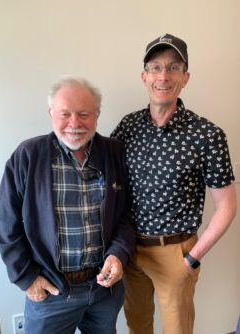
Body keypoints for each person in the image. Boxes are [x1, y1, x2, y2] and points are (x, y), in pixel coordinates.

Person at [111, 33, 237, 334]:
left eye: (173, 68)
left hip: (175, 253)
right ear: (144, 76)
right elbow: (108, 179)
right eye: (155, 67)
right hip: (130, 250)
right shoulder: (128, 127)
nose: (163, 76)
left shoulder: (207, 135)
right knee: (137, 326)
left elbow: (227, 206)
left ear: (185, 77)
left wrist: (192, 258)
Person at [0, 77, 135, 334]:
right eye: (65, 114)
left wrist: (118, 254)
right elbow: (5, 224)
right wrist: (26, 277)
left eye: (84, 114)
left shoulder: (115, 153)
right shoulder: (28, 155)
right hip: (51, 292)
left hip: (104, 290)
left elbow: (126, 215)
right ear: (51, 114)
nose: (74, 123)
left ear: (97, 115)